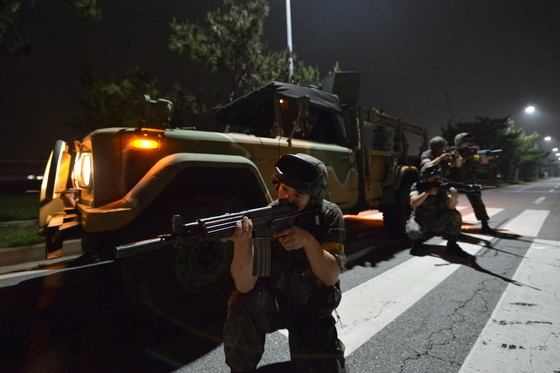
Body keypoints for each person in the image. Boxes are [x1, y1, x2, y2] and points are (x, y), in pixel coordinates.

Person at [221, 153, 347, 373]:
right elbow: (245, 286)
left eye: (299, 194)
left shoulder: (327, 215)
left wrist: (308, 241)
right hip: (275, 305)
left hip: (311, 308)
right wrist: (242, 243)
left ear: (313, 198)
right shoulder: (267, 216)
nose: (288, 198)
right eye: (284, 189)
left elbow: (330, 276)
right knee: (241, 302)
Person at [406, 164, 468, 258]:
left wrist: (454, 197)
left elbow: (451, 207)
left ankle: (452, 245)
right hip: (421, 220)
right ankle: (417, 243)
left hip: (436, 220)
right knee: (413, 231)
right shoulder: (418, 186)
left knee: (455, 215)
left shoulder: (441, 188)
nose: (437, 178)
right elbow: (414, 203)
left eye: (438, 176)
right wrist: (426, 193)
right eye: (433, 177)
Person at [448, 132, 495, 234]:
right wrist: (459, 158)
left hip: (470, 181)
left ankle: (485, 225)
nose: (468, 144)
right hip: (455, 181)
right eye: (466, 143)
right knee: (450, 203)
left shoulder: (472, 154)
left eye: (469, 142)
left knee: (478, 203)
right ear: (459, 143)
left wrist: (480, 152)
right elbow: (454, 165)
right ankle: (451, 227)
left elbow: (485, 161)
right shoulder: (453, 153)